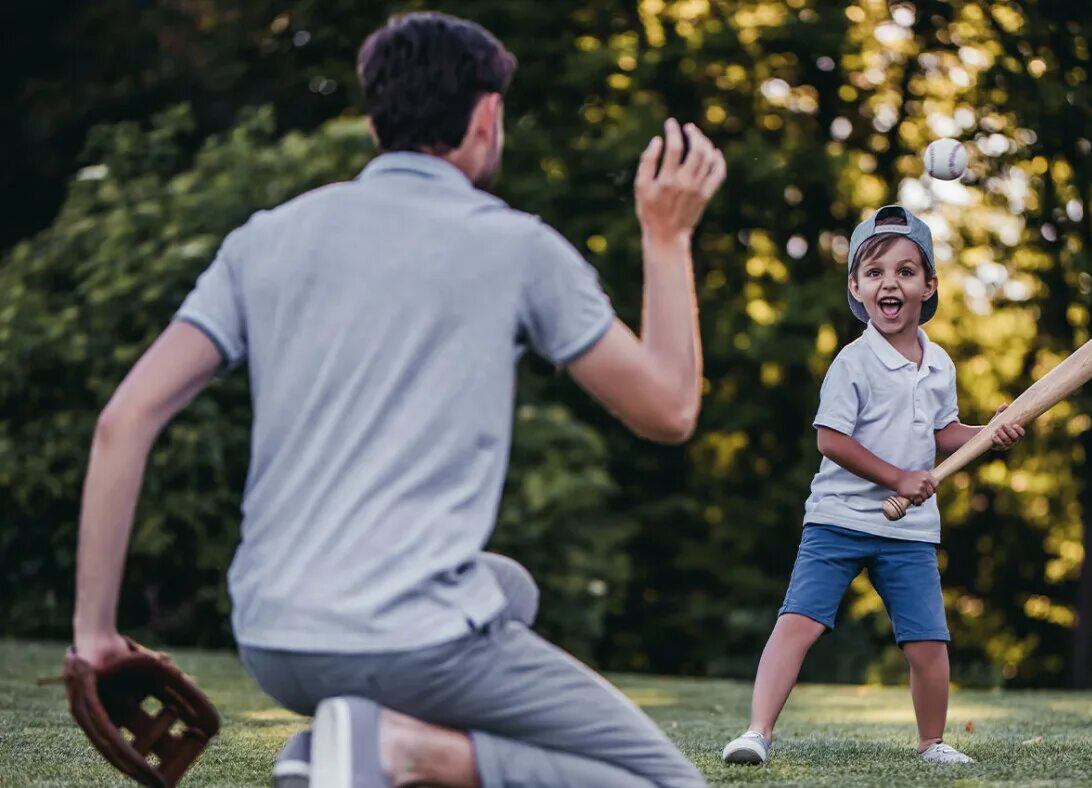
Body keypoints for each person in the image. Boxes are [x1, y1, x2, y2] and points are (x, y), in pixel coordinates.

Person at [70, 11, 724, 788]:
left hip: (275, 640)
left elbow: (123, 420)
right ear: (487, 116)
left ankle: (324, 751)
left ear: (377, 116)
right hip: (411, 643)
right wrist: (666, 236)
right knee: (670, 784)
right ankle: (405, 752)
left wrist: (94, 633)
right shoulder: (516, 246)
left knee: (510, 590)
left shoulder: (264, 238)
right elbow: (669, 410)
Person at [719, 205, 1023, 767]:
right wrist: (899, 477)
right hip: (837, 518)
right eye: (877, 271)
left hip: (908, 529)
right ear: (856, 287)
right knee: (799, 624)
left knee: (928, 642)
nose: (892, 283)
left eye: (907, 272)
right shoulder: (852, 363)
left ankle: (932, 743)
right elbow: (831, 441)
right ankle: (756, 733)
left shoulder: (940, 364)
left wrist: (990, 433)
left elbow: (947, 432)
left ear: (928, 286)